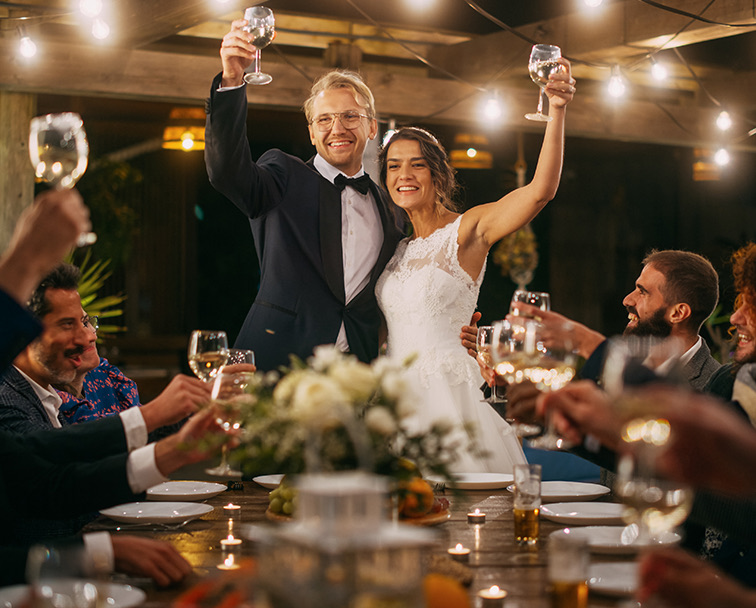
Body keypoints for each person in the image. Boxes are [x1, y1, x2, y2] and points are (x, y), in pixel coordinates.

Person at [374, 58, 575, 473]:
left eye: (417, 164)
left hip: (450, 399)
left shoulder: (467, 231)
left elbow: (541, 191)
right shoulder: (396, 249)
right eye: (393, 166)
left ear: (438, 172)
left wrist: (556, 111)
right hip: (392, 401)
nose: (404, 175)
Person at [205, 17, 405, 371]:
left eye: (349, 116)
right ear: (311, 133)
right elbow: (226, 172)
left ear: (372, 126)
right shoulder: (283, 175)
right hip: (276, 362)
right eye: (324, 120)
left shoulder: (390, 206)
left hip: (355, 373)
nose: (337, 128)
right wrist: (233, 80)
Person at [466, 249, 721, 425]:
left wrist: (585, 341)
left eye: (642, 292)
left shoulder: (714, 388)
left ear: (679, 312)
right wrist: (505, 382)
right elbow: (567, 432)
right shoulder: (617, 369)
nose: (627, 300)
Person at [0, 263, 210, 434]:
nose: (89, 336)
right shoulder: (9, 400)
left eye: (84, 321)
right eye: (67, 324)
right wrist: (157, 412)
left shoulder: (49, 395)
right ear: (25, 331)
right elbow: (67, 459)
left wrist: (201, 408)